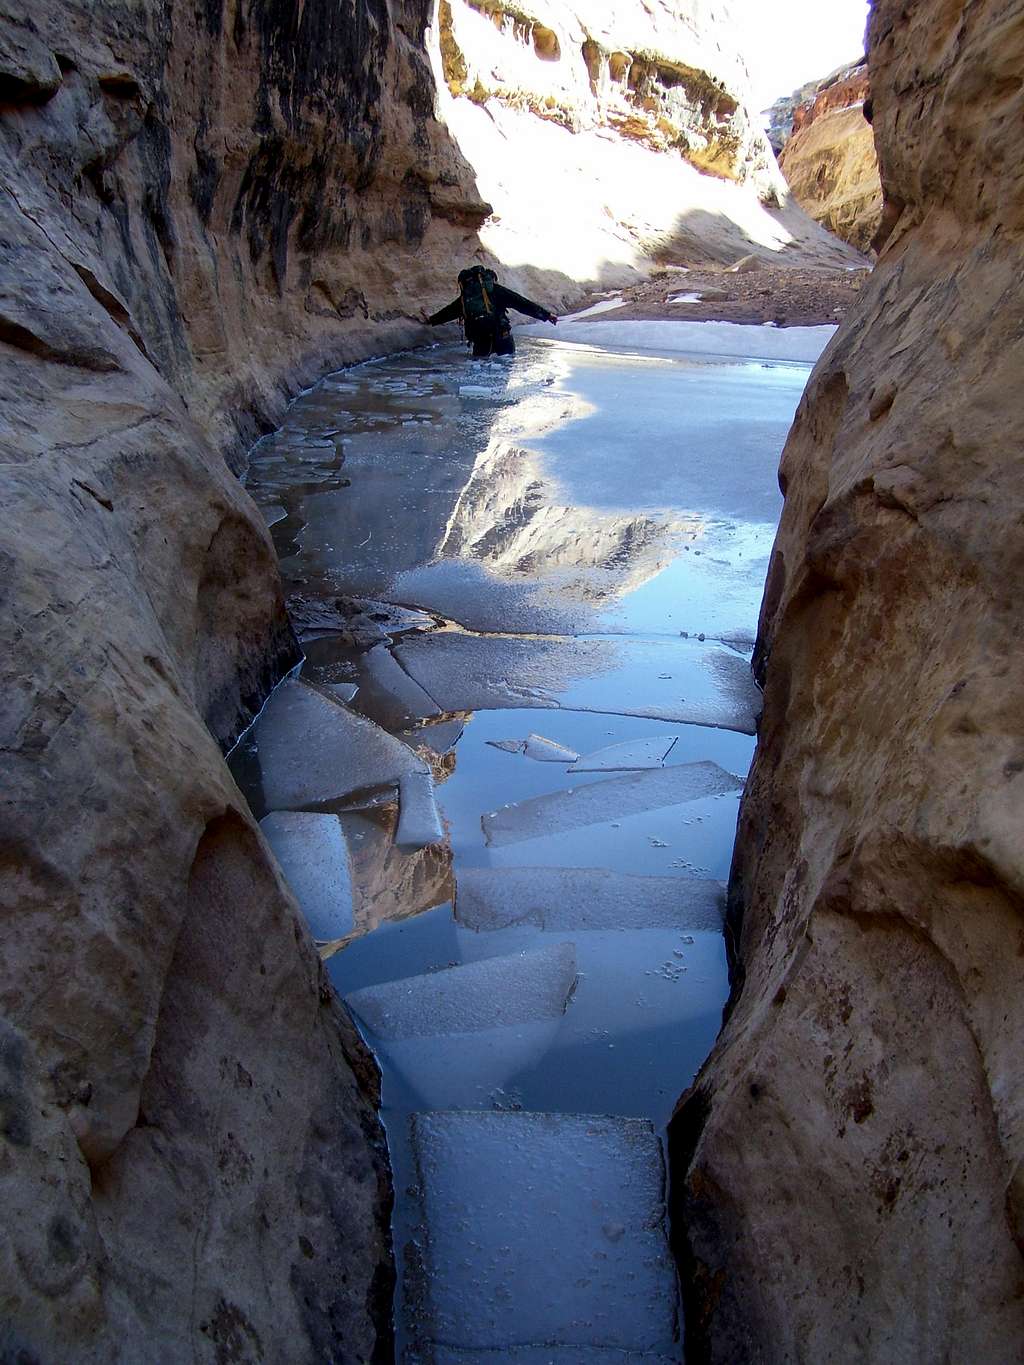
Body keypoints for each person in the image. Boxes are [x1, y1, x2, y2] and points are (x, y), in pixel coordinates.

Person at [426, 265, 557, 357]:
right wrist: (546, 315)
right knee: (505, 367)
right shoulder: (495, 290)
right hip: (501, 334)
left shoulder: (465, 297)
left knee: (480, 369)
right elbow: (521, 303)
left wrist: (431, 320)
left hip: (479, 337)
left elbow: (448, 312)